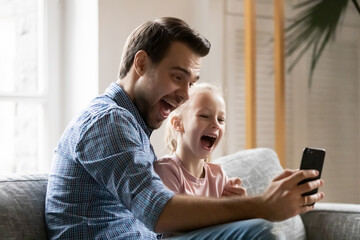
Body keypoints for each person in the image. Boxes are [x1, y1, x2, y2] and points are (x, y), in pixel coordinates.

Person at [45, 17, 324, 239]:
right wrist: (262, 205)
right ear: (141, 64)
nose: (185, 95)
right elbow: (158, 211)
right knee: (259, 231)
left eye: (191, 82)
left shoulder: (131, 125)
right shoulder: (108, 121)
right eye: (177, 76)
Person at [154, 83, 247, 199]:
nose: (216, 124)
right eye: (204, 116)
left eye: (221, 119)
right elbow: (175, 216)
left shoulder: (218, 175)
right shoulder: (166, 170)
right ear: (178, 123)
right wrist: (223, 209)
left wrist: (240, 207)